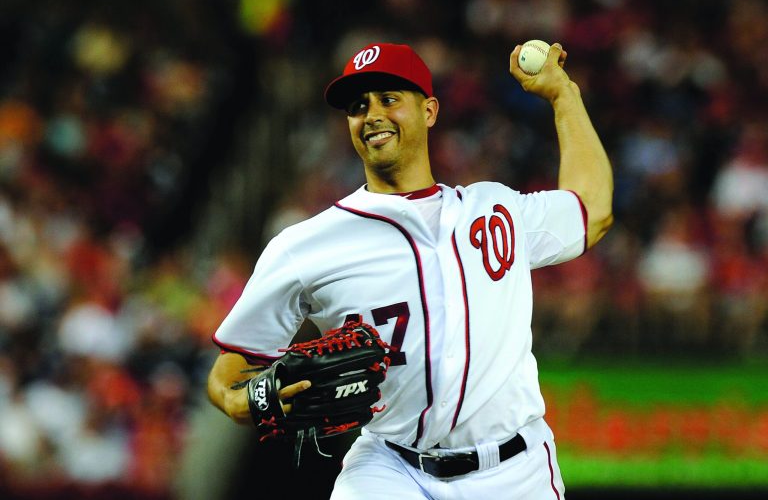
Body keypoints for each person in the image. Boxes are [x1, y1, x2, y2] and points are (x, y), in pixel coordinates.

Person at [207, 40, 613, 499]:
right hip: (390, 467)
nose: (372, 115)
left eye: (389, 99)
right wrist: (252, 400)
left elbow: (592, 210)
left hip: (515, 470)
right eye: (358, 107)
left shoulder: (495, 208)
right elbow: (228, 372)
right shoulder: (306, 246)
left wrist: (564, 95)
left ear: (430, 111)